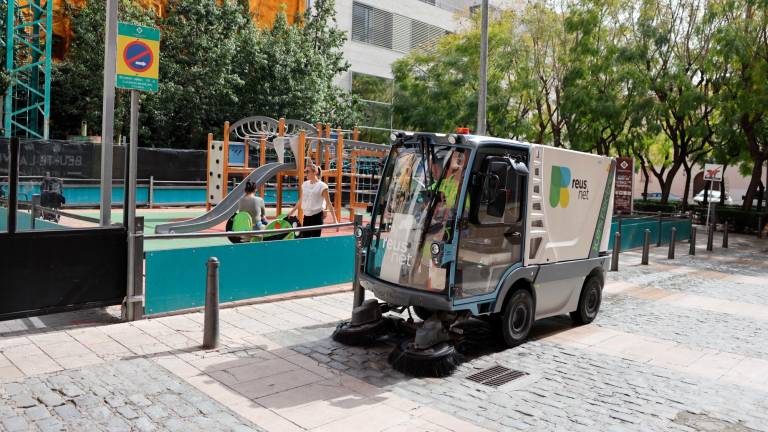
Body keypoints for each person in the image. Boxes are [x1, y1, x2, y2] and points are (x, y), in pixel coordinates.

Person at [288, 163, 337, 237]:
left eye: (307, 171)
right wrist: (291, 212)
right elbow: (301, 199)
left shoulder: (322, 186)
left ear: (315, 172)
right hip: (306, 216)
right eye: (305, 172)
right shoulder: (304, 184)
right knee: (305, 239)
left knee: (315, 241)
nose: (306, 173)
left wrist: (335, 220)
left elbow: (329, 203)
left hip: (317, 216)